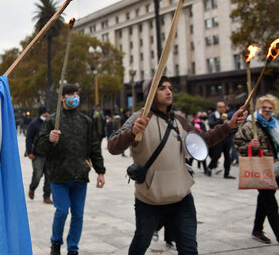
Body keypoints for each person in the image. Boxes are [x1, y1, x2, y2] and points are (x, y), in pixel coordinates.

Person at [108, 76, 246, 255]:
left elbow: (202, 140)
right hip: (150, 199)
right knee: (140, 245)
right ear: (150, 93)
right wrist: (132, 132)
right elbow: (112, 146)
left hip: (182, 198)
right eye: (162, 88)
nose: (168, 91)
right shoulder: (139, 118)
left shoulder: (179, 120)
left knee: (189, 249)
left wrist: (228, 126)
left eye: (170, 88)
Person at [36, 83, 106, 255]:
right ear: (62, 98)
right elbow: (38, 145)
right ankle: (55, 243)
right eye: (70, 94)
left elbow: (94, 147)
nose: (74, 96)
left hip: (80, 176)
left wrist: (100, 171)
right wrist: (49, 139)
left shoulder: (86, 121)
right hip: (59, 176)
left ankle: (73, 248)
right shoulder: (52, 120)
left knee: (78, 215)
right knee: (61, 211)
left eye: (76, 93)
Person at [234, 94, 279, 244]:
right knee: (271, 204)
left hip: (276, 169)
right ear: (258, 109)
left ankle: (257, 230)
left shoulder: (275, 125)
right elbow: (238, 145)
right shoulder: (250, 125)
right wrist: (251, 146)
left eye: (270, 108)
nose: (267, 111)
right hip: (261, 169)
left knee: (264, 200)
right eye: (264, 108)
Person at [27, 106, 52, 204]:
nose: (47, 114)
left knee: (49, 177)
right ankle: (32, 187)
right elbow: (29, 138)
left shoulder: (51, 123)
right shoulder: (34, 124)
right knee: (37, 174)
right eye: (45, 112)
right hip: (37, 154)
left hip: (49, 154)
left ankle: (46, 196)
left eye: (48, 112)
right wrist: (29, 152)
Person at [208, 101, 236, 179]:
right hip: (217, 138)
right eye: (220, 107)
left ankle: (227, 173)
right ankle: (209, 167)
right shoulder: (213, 115)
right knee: (217, 154)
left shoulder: (228, 115)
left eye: (224, 107)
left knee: (227, 156)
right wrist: (220, 120)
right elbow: (211, 124)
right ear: (217, 108)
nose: (222, 109)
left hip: (227, 138)